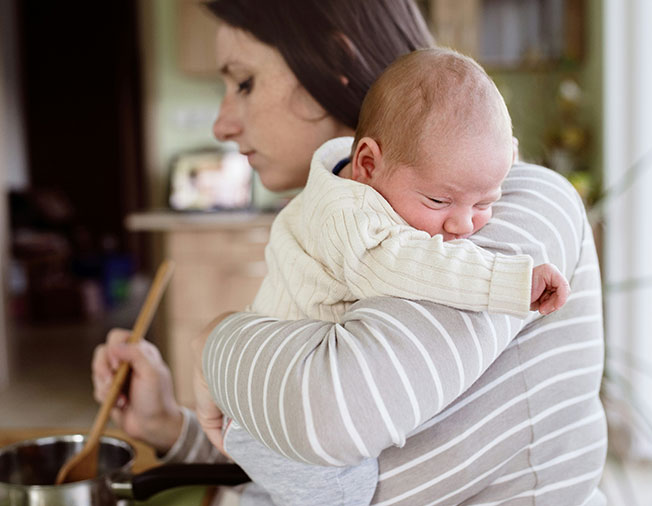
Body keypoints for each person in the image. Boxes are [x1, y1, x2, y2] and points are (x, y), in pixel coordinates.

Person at [92, 1, 607, 505]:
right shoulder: (323, 228)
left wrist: (213, 343)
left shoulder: (524, 206)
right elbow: (293, 464)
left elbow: (328, 415)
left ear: (335, 64)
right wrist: (167, 425)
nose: (221, 125)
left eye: (243, 82)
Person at [217, 48, 571, 505]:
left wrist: (476, 186)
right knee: (346, 492)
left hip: (273, 401)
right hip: (278, 413)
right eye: (439, 202)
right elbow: (405, 263)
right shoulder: (350, 217)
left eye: (484, 203)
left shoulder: (403, 176)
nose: (463, 226)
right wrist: (508, 282)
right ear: (367, 163)